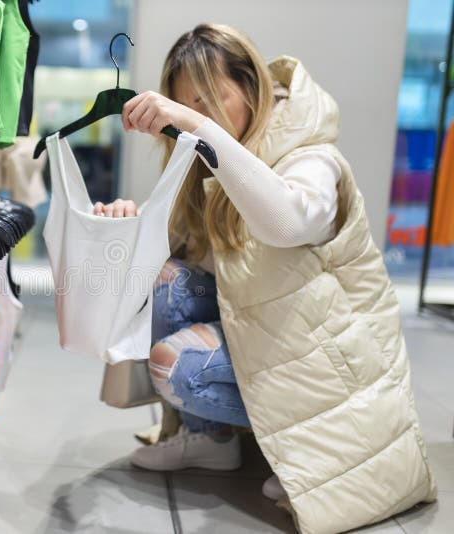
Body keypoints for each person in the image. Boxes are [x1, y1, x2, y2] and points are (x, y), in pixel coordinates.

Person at [94, 24, 436, 532]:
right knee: (167, 279)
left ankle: (309, 455)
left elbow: (285, 224)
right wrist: (127, 224)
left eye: (211, 100)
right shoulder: (204, 170)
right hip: (276, 346)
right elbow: (173, 265)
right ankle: (213, 443)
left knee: (178, 367)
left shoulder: (314, 161)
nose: (197, 118)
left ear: (253, 88)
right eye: (186, 105)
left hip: (335, 370)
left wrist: (198, 127)